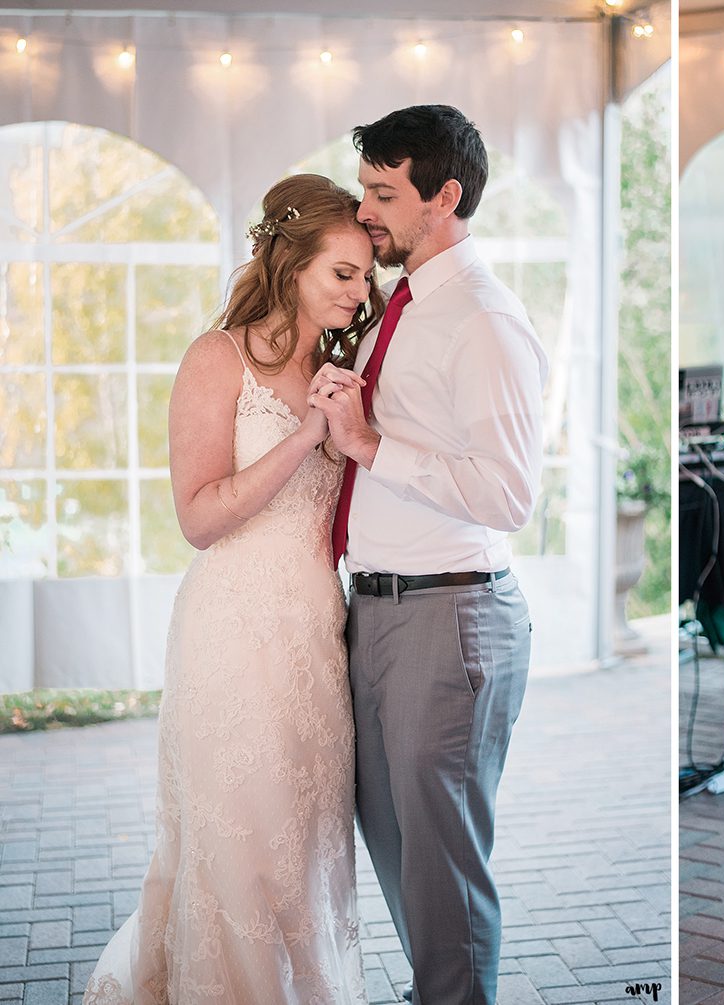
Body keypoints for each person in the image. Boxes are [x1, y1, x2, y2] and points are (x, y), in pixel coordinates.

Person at [83, 173, 382, 1003]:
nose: (361, 293)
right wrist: (306, 438)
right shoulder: (216, 358)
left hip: (315, 638)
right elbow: (199, 516)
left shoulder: (340, 363)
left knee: (307, 848)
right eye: (344, 273)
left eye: (366, 275)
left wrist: (354, 431)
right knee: (238, 846)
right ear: (291, 266)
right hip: (230, 634)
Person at [308, 104, 547, 1005]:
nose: (366, 211)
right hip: (373, 610)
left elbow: (508, 495)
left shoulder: (485, 320)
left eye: (383, 193)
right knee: (392, 833)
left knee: (442, 854)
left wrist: (369, 445)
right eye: (366, 188)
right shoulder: (389, 311)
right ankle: (442, 990)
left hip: (451, 612)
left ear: (444, 196)